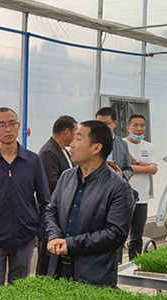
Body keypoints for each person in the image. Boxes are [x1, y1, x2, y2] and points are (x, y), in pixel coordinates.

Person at [0, 107, 50, 291]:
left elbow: (45, 200)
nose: (8, 129)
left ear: (19, 126)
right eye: (2, 125)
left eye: (12, 124)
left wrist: (40, 231)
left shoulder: (32, 160)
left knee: (19, 292)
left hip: (25, 238)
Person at [44, 121, 135, 287]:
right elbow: (51, 211)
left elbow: (115, 234)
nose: (71, 144)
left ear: (96, 148)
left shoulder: (118, 187)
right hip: (59, 271)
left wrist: (71, 244)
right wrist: (55, 236)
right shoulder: (66, 177)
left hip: (94, 276)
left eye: (78, 139)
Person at [35, 115, 76, 275]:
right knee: (46, 262)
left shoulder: (62, 150)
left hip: (62, 214)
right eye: (75, 132)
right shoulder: (48, 152)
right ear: (67, 132)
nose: (76, 138)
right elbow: (51, 185)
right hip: (51, 214)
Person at [125, 113, 158, 259]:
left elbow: (154, 169)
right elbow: (126, 169)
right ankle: (117, 265)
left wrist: (135, 163)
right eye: (135, 125)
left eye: (142, 125)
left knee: (137, 235)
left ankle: (135, 262)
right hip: (124, 197)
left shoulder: (148, 146)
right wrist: (146, 167)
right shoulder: (122, 144)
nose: (139, 129)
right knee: (120, 233)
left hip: (142, 197)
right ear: (128, 127)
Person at [94, 108, 133, 182]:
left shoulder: (122, 144)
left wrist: (122, 175)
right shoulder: (88, 142)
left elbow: (129, 169)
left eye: (107, 124)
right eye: (99, 124)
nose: (102, 127)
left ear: (115, 123)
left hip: (115, 184)